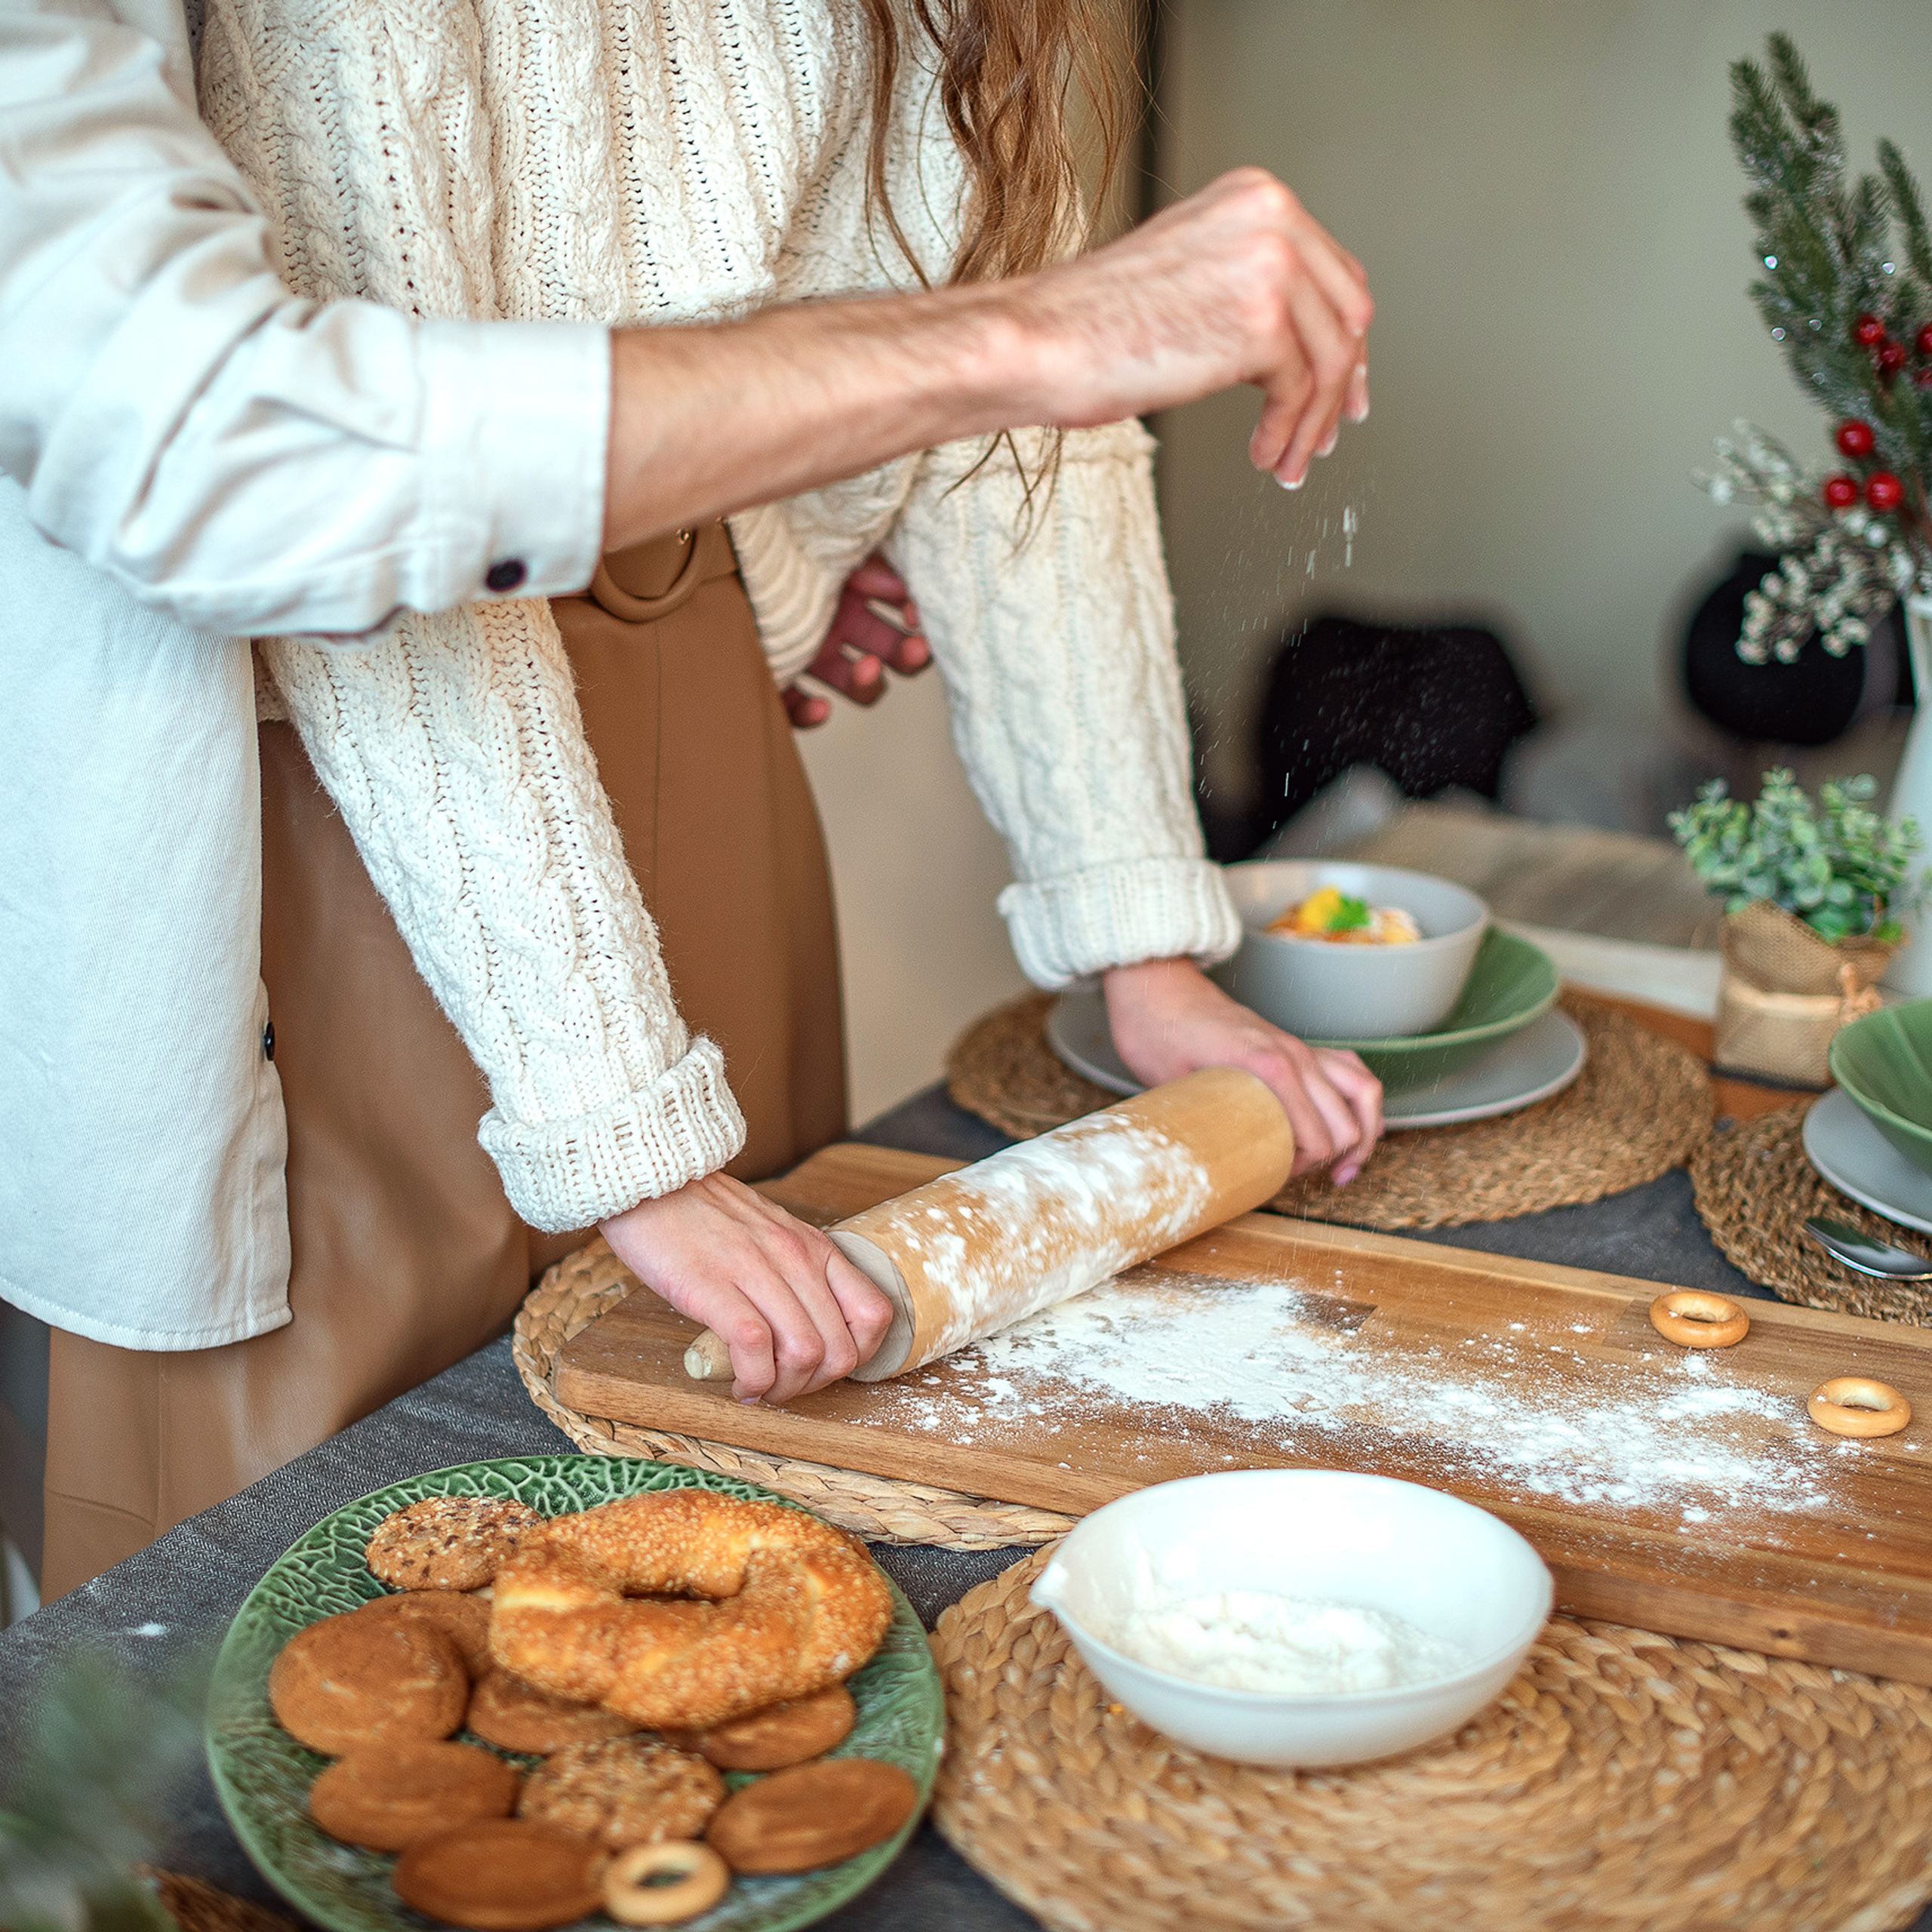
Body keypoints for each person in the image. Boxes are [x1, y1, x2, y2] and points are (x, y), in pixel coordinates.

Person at [0, 0, 1380, 1596]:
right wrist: (626, 1132)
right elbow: (341, 479)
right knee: (327, 1587)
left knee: (761, 1511)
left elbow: (1024, 381)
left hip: (696, 695)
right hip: (327, 747)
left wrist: (1137, 936)